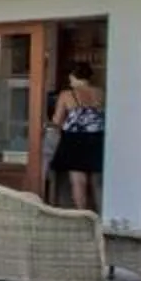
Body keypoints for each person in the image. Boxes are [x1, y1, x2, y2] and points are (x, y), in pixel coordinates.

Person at [49, 65, 105, 214]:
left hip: (74, 140)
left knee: (78, 182)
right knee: (97, 182)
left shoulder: (67, 95)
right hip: (97, 139)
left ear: (73, 76)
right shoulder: (101, 93)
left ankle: (83, 216)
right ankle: (102, 216)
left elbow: (57, 120)